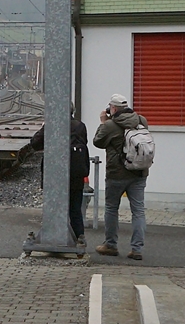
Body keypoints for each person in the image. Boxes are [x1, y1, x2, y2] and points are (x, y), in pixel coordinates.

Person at [93, 94, 148, 260]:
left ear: (113, 108)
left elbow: (98, 142)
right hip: (139, 172)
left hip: (116, 174)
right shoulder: (141, 120)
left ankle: (110, 245)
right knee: (138, 211)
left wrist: (103, 122)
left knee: (111, 208)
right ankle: (136, 249)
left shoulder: (110, 125)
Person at [31, 110, 91, 244]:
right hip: (75, 175)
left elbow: (35, 144)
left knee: (53, 208)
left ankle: (52, 238)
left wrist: (44, 127)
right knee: (75, 210)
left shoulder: (52, 125)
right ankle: (80, 238)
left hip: (54, 176)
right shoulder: (80, 126)